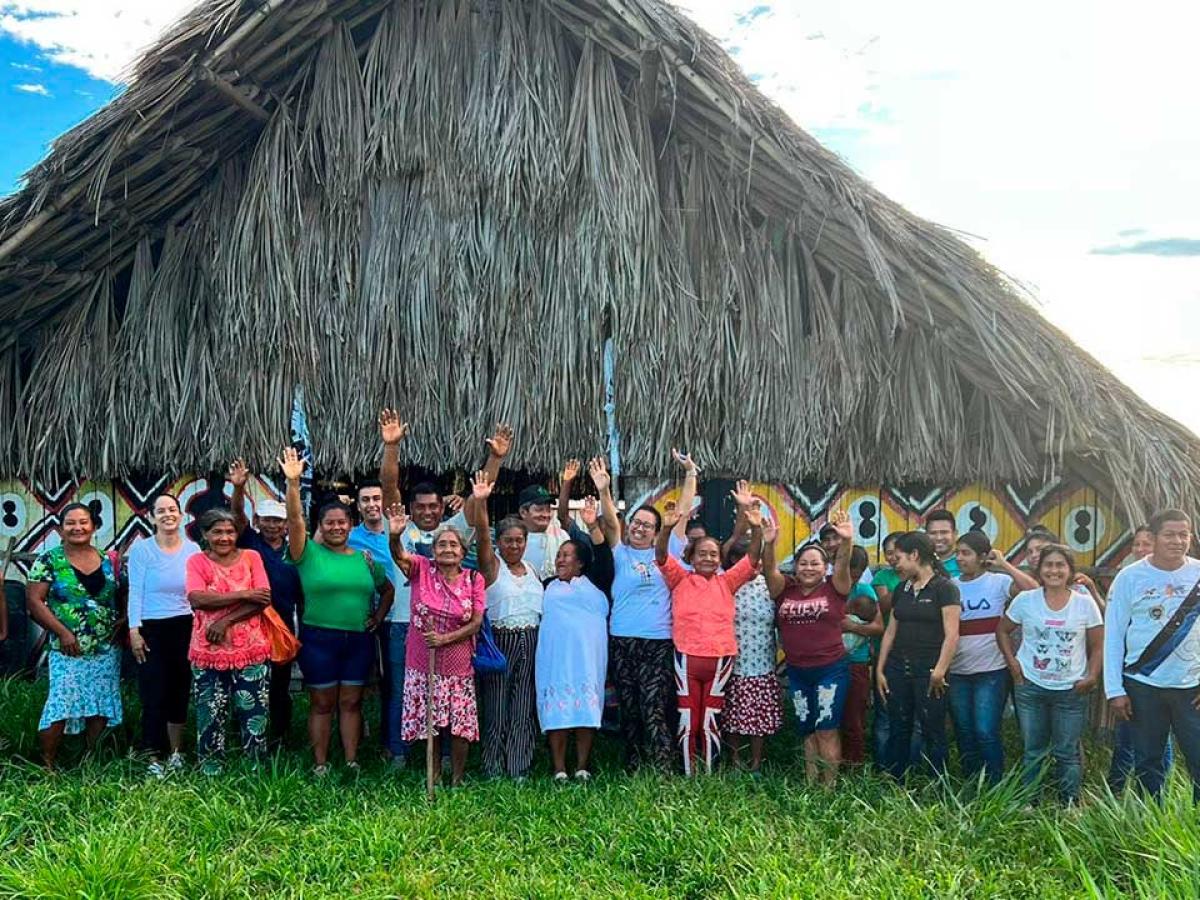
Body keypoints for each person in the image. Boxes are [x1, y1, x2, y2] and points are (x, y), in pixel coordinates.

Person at [377, 410, 507, 768]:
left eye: (433, 506)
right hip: (405, 626)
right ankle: (400, 755)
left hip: (450, 633)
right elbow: (389, 488)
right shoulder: (401, 529)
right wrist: (391, 448)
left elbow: (478, 497)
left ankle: (448, 758)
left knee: (450, 698)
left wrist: (495, 459)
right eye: (421, 507)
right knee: (402, 692)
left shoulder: (450, 532)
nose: (428, 512)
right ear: (410, 509)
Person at [280, 448, 393, 775]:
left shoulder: (364, 559)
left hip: (358, 640)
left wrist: (378, 617)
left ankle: (352, 760)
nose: (335, 527)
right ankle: (320, 763)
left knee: (351, 702)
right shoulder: (307, 553)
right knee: (322, 703)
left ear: (350, 525)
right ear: (321, 525)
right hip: (319, 639)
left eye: (341, 523)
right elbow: (294, 520)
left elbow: (386, 590)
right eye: (329, 523)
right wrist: (293, 483)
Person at [656, 481, 763, 775]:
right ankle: (690, 772)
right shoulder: (680, 578)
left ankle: (709, 772)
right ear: (691, 556)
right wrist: (666, 529)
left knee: (710, 717)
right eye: (702, 553)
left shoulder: (728, 581)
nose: (708, 558)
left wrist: (756, 528)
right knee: (689, 716)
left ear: (720, 559)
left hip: (719, 659)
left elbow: (753, 558)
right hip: (686, 657)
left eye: (713, 554)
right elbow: (662, 557)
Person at [1104, 509, 1200, 801]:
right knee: (1148, 761)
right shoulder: (1129, 578)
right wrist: (1114, 690)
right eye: (1170, 534)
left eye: (1184, 534)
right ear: (1154, 538)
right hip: (1143, 686)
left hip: (1192, 687)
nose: (1178, 541)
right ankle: (1152, 820)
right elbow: (1113, 635)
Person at [598, 453, 685, 773]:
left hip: (657, 641)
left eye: (648, 526)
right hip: (622, 638)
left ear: (657, 532)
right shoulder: (620, 553)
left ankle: (663, 765)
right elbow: (609, 521)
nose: (640, 528)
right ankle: (634, 762)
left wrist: (689, 475)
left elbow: (684, 513)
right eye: (636, 522)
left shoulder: (669, 552)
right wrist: (605, 490)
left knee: (655, 705)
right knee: (630, 706)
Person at [389, 503, 485, 787]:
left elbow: (476, 623)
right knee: (429, 724)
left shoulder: (473, 579)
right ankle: (432, 774)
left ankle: (456, 778)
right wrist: (394, 536)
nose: (447, 549)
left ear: (462, 553)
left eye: (454, 545)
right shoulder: (421, 569)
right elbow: (399, 556)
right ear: (433, 551)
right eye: (442, 544)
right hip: (422, 661)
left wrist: (444, 640)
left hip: (458, 664)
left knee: (458, 726)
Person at [998, 545, 1103, 805]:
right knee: (1033, 750)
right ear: (1039, 569)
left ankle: (1069, 803)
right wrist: (1013, 664)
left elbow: (1099, 643)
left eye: (1060, 565)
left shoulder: (1084, 603)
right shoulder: (1025, 600)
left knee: (1067, 751)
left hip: (1071, 690)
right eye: (1048, 565)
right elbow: (1002, 631)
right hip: (1031, 686)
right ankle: (1029, 802)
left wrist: (1092, 675)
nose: (1054, 570)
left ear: (1069, 571)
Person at [25, 503, 124, 771]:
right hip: (67, 649)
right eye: (70, 523)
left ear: (93, 526)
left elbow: (120, 596)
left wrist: (122, 623)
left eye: (83, 522)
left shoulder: (107, 560)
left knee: (100, 703)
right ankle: (47, 765)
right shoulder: (49, 560)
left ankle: (91, 761)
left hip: (105, 649)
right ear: (60, 528)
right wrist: (63, 633)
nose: (77, 528)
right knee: (61, 703)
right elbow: (34, 602)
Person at [765, 508, 855, 785]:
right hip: (798, 671)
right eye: (803, 563)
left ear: (824, 567)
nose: (808, 568)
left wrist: (847, 542)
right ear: (795, 566)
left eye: (815, 563)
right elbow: (768, 570)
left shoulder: (834, 587)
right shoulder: (785, 590)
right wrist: (768, 544)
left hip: (830, 670)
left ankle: (828, 787)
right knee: (807, 729)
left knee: (826, 728)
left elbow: (842, 564)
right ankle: (810, 781)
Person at [465, 471, 544, 780]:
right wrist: (482, 503)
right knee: (496, 708)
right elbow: (482, 536)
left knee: (523, 707)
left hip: (531, 639)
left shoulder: (533, 569)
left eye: (519, 541)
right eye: (508, 541)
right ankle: (494, 767)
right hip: (500, 641)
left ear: (526, 543)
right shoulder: (492, 566)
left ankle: (518, 766)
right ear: (499, 543)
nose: (514, 546)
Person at [185, 508, 273, 774]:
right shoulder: (196, 562)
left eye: (230, 531)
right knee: (210, 711)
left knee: (254, 712)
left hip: (251, 649)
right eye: (217, 532)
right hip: (208, 650)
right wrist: (247, 594)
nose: (224, 537)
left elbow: (264, 599)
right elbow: (197, 599)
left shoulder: (251, 557)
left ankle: (255, 768)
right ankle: (211, 767)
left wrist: (225, 621)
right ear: (205, 535)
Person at [948, 532, 1037, 785]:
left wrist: (1006, 565)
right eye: (958, 552)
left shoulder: (998, 582)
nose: (959, 558)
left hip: (992, 671)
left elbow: (1034, 592)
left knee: (985, 730)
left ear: (982, 557)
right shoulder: (951, 585)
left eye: (966, 553)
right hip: (958, 671)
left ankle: (995, 784)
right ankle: (971, 782)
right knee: (964, 731)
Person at [537, 497, 613, 782]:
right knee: (557, 714)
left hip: (587, 662)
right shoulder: (546, 586)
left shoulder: (596, 583)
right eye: (559, 555)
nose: (560, 559)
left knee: (586, 711)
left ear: (581, 563)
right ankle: (558, 767)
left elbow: (604, 554)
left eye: (567, 555)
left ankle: (582, 766)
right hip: (555, 661)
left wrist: (592, 524)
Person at [229, 458, 303, 748]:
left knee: (280, 686)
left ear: (286, 524)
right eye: (267, 520)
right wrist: (238, 487)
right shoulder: (249, 542)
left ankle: (280, 736)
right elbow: (236, 515)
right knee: (248, 681)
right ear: (258, 521)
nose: (273, 526)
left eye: (278, 520)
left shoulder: (295, 549)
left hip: (284, 624)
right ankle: (245, 734)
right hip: (250, 621)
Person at [875, 531, 961, 780]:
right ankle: (895, 780)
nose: (895, 563)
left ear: (915, 555)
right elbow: (891, 630)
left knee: (933, 729)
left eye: (899, 558)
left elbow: (952, 634)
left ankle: (938, 784)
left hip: (930, 671)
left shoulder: (945, 589)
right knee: (898, 726)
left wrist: (940, 671)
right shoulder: (902, 588)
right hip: (898, 669)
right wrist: (880, 670)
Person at [127, 493, 200, 777]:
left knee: (179, 691)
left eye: (172, 509)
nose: (167, 514)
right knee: (153, 693)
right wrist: (134, 631)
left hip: (185, 626)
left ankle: (176, 752)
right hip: (151, 628)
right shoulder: (143, 551)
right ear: (152, 517)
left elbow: (197, 594)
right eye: (161, 511)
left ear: (181, 515)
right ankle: (152, 755)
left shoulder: (193, 550)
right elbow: (135, 592)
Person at [345, 474, 403, 761]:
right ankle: (360, 737)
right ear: (357, 506)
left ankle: (390, 743)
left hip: (398, 618)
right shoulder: (350, 536)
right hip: (365, 619)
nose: (372, 505)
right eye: (366, 500)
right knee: (364, 682)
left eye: (377, 499)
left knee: (393, 683)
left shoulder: (399, 530)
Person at [722, 523, 784, 775]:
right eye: (743, 558)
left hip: (762, 664)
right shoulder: (727, 585)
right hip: (732, 663)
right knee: (732, 717)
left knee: (759, 720)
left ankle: (757, 762)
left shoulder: (769, 586)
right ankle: (735, 760)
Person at [839, 547, 885, 767]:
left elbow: (878, 627)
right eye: (849, 572)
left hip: (856, 663)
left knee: (854, 718)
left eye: (857, 574)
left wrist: (852, 626)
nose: (852, 578)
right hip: (829, 662)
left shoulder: (865, 590)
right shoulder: (828, 588)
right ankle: (831, 761)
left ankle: (853, 764)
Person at [870, 532, 903, 764]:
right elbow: (883, 605)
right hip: (887, 652)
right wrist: (908, 578)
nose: (892, 558)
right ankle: (883, 765)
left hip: (916, 652)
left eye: (897, 553)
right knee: (884, 714)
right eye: (889, 553)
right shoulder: (883, 576)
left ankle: (910, 765)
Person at [924, 510, 960, 577]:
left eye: (944, 532)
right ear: (926, 535)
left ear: (955, 534)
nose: (939, 538)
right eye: (933, 533)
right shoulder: (920, 564)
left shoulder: (965, 563)